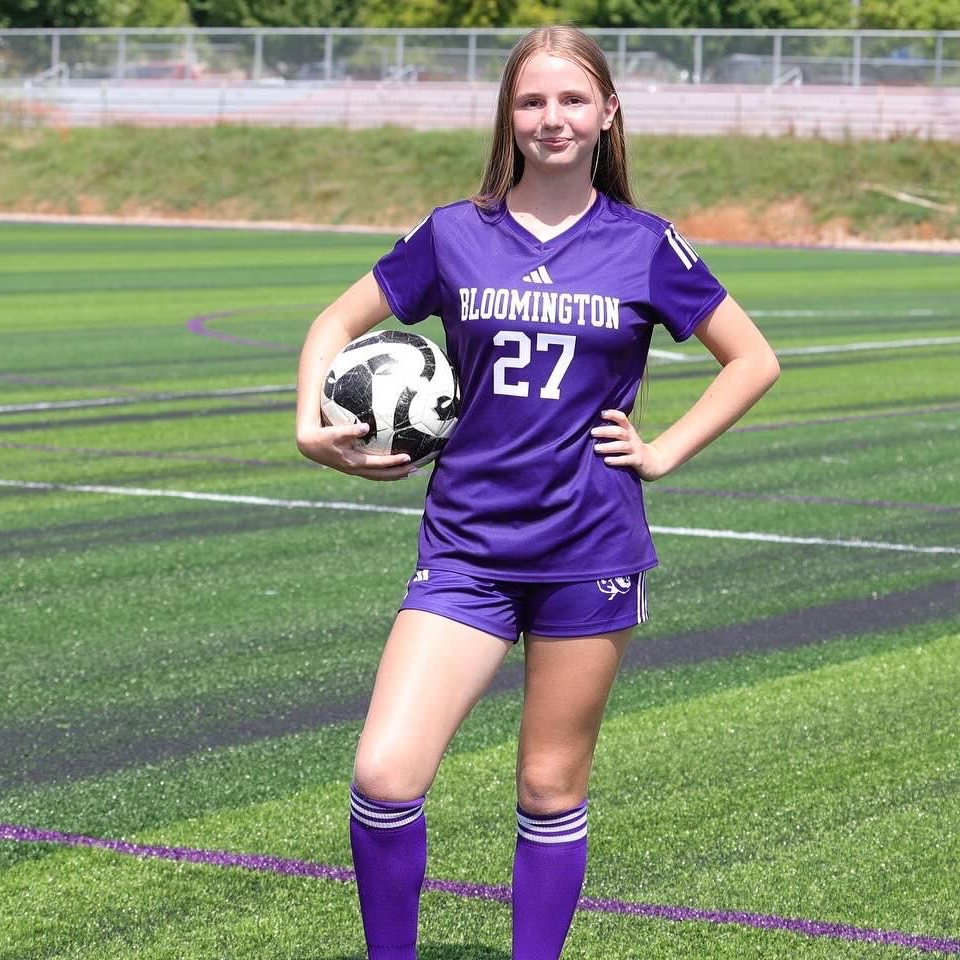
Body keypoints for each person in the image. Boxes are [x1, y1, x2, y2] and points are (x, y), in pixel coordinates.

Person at [294, 24, 779, 960]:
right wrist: (310, 421)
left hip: (588, 554)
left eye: (570, 100)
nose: (551, 118)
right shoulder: (454, 233)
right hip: (467, 549)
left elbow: (751, 359)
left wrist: (666, 450)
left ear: (606, 114)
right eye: (531, 101)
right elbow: (335, 319)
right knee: (386, 775)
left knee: (549, 789)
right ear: (508, 118)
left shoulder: (644, 245)